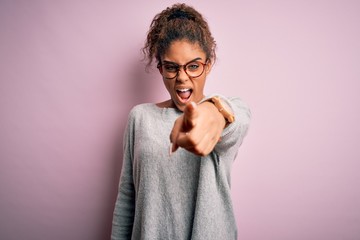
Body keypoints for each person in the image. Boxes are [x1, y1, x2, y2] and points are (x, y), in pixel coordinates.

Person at [111, 3, 251, 240]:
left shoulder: (225, 113)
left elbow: (238, 116)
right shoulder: (140, 118)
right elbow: (127, 198)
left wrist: (214, 112)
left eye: (193, 66)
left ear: (208, 65)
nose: (182, 77)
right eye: (172, 67)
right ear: (161, 68)